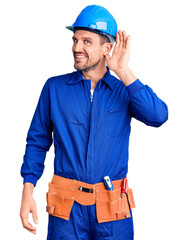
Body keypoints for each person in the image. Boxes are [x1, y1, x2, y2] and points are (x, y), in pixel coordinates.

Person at [19, 4, 168, 240]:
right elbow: (37, 141)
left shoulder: (124, 91)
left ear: (107, 48)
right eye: (75, 40)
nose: (77, 47)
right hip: (66, 211)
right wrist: (28, 191)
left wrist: (123, 70)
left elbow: (158, 116)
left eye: (87, 41)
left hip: (112, 211)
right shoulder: (54, 88)